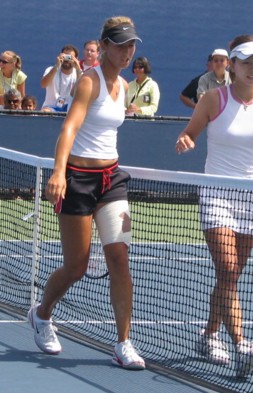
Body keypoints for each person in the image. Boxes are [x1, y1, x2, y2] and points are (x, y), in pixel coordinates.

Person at [27, 15, 146, 370]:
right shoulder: (88, 83)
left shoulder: (123, 87)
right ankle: (42, 314)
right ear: (105, 46)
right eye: (121, 44)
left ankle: (123, 342)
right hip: (77, 180)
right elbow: (69, 129)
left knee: (120, 258)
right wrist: (59, 173)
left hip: (112, 181)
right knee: (77, 266)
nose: (128, 51)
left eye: (132, 45)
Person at [176, 35, 253, 377]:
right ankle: (242, 345)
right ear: (232, 64)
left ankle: (209, 333)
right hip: (216, 192)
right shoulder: (212, 98)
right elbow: (191, 133)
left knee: (230, 277)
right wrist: (185, 141)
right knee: (227, 270)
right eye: (246, 62)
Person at [40, 44, 82, 112]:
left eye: (70, 57)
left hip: (70, 108)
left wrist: (78, 68)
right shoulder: (50, 70)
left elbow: (82, 91)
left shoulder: (78, 73)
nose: (67, 60)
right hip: (51, 107)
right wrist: (57, 66)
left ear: (76, 59)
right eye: (65, 56)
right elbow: (43, 85)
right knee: (44, 111)